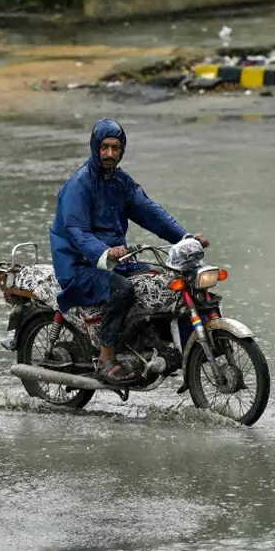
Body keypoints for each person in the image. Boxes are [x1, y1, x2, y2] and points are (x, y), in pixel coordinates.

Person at [49, 119, 208, 385]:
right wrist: (105, 251)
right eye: (104, 147)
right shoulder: (80, 184)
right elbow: (76, 231)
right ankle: (106, 358)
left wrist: (185, 238)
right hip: (78, 265)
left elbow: (151, 213)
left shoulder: (121, 182)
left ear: (123, 150)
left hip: (115, 261)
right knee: (122, 289)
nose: (110, 154)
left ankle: (149, 342)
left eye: (115, 148)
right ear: (94, 148)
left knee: (160, 279)